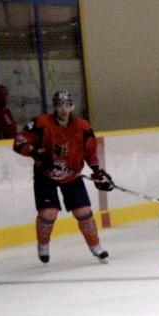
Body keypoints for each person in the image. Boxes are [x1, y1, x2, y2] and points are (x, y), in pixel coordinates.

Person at [13, 90, 114, 264]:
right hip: (46, 175)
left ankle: (96, 246)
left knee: (83, 212)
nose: (63, 109)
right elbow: (19, 142)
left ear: (72, 106)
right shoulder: (41, 123)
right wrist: (36, 153)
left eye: (66, 105)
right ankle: (43, 245)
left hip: (72, 175)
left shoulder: (82, 127)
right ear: (54, 107)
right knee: (49, 212)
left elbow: (90, 152)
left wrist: (97, 171)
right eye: (59, 105)